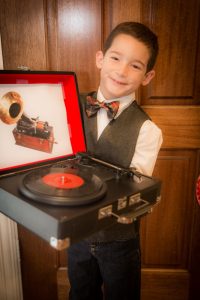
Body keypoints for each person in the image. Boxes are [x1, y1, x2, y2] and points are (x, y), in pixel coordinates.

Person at [67, 21, 163, 300]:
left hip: (119, 240)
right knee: (80, 292)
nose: (121, 71)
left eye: (135, 65)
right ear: (100, 58)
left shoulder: (148, 131)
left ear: (147, 76)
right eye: (115, 58)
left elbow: (136, 193)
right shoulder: (68, 106)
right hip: (77, 235)